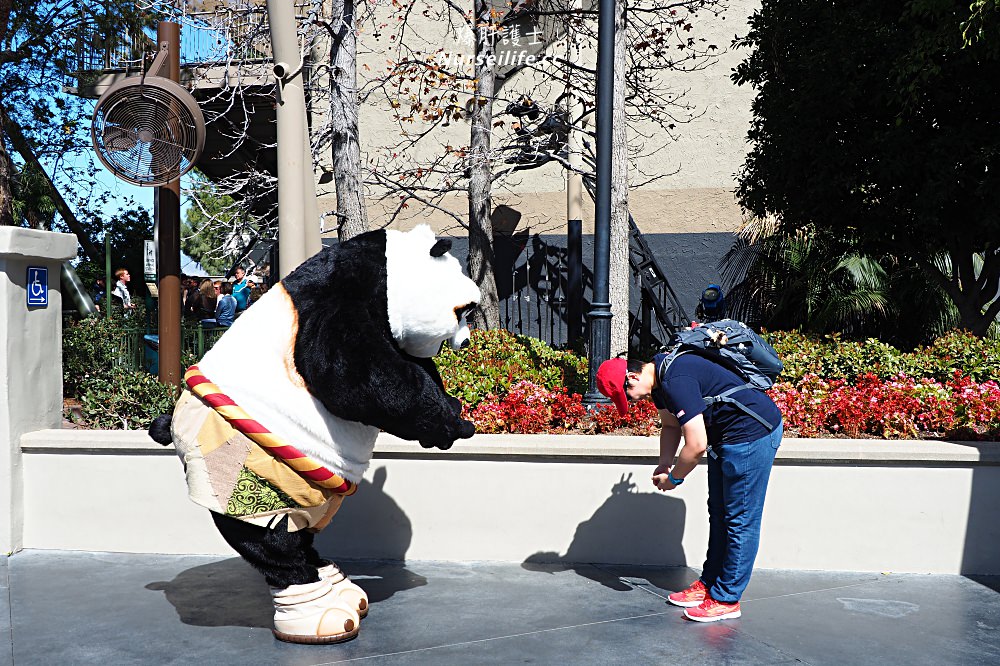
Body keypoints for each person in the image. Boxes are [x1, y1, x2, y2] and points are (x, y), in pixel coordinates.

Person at [596, 347, 783, 623]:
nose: (633, 403)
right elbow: (671, 426)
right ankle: (709, 584)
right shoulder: (659, 382)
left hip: (751, 435)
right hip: (727, 438)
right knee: (719, 514)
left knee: (740, 519)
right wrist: (664, 463)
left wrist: (674, 479)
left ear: (633, 378)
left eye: (628, 398)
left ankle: (727, 598)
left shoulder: (675, 379)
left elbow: (695, 446)